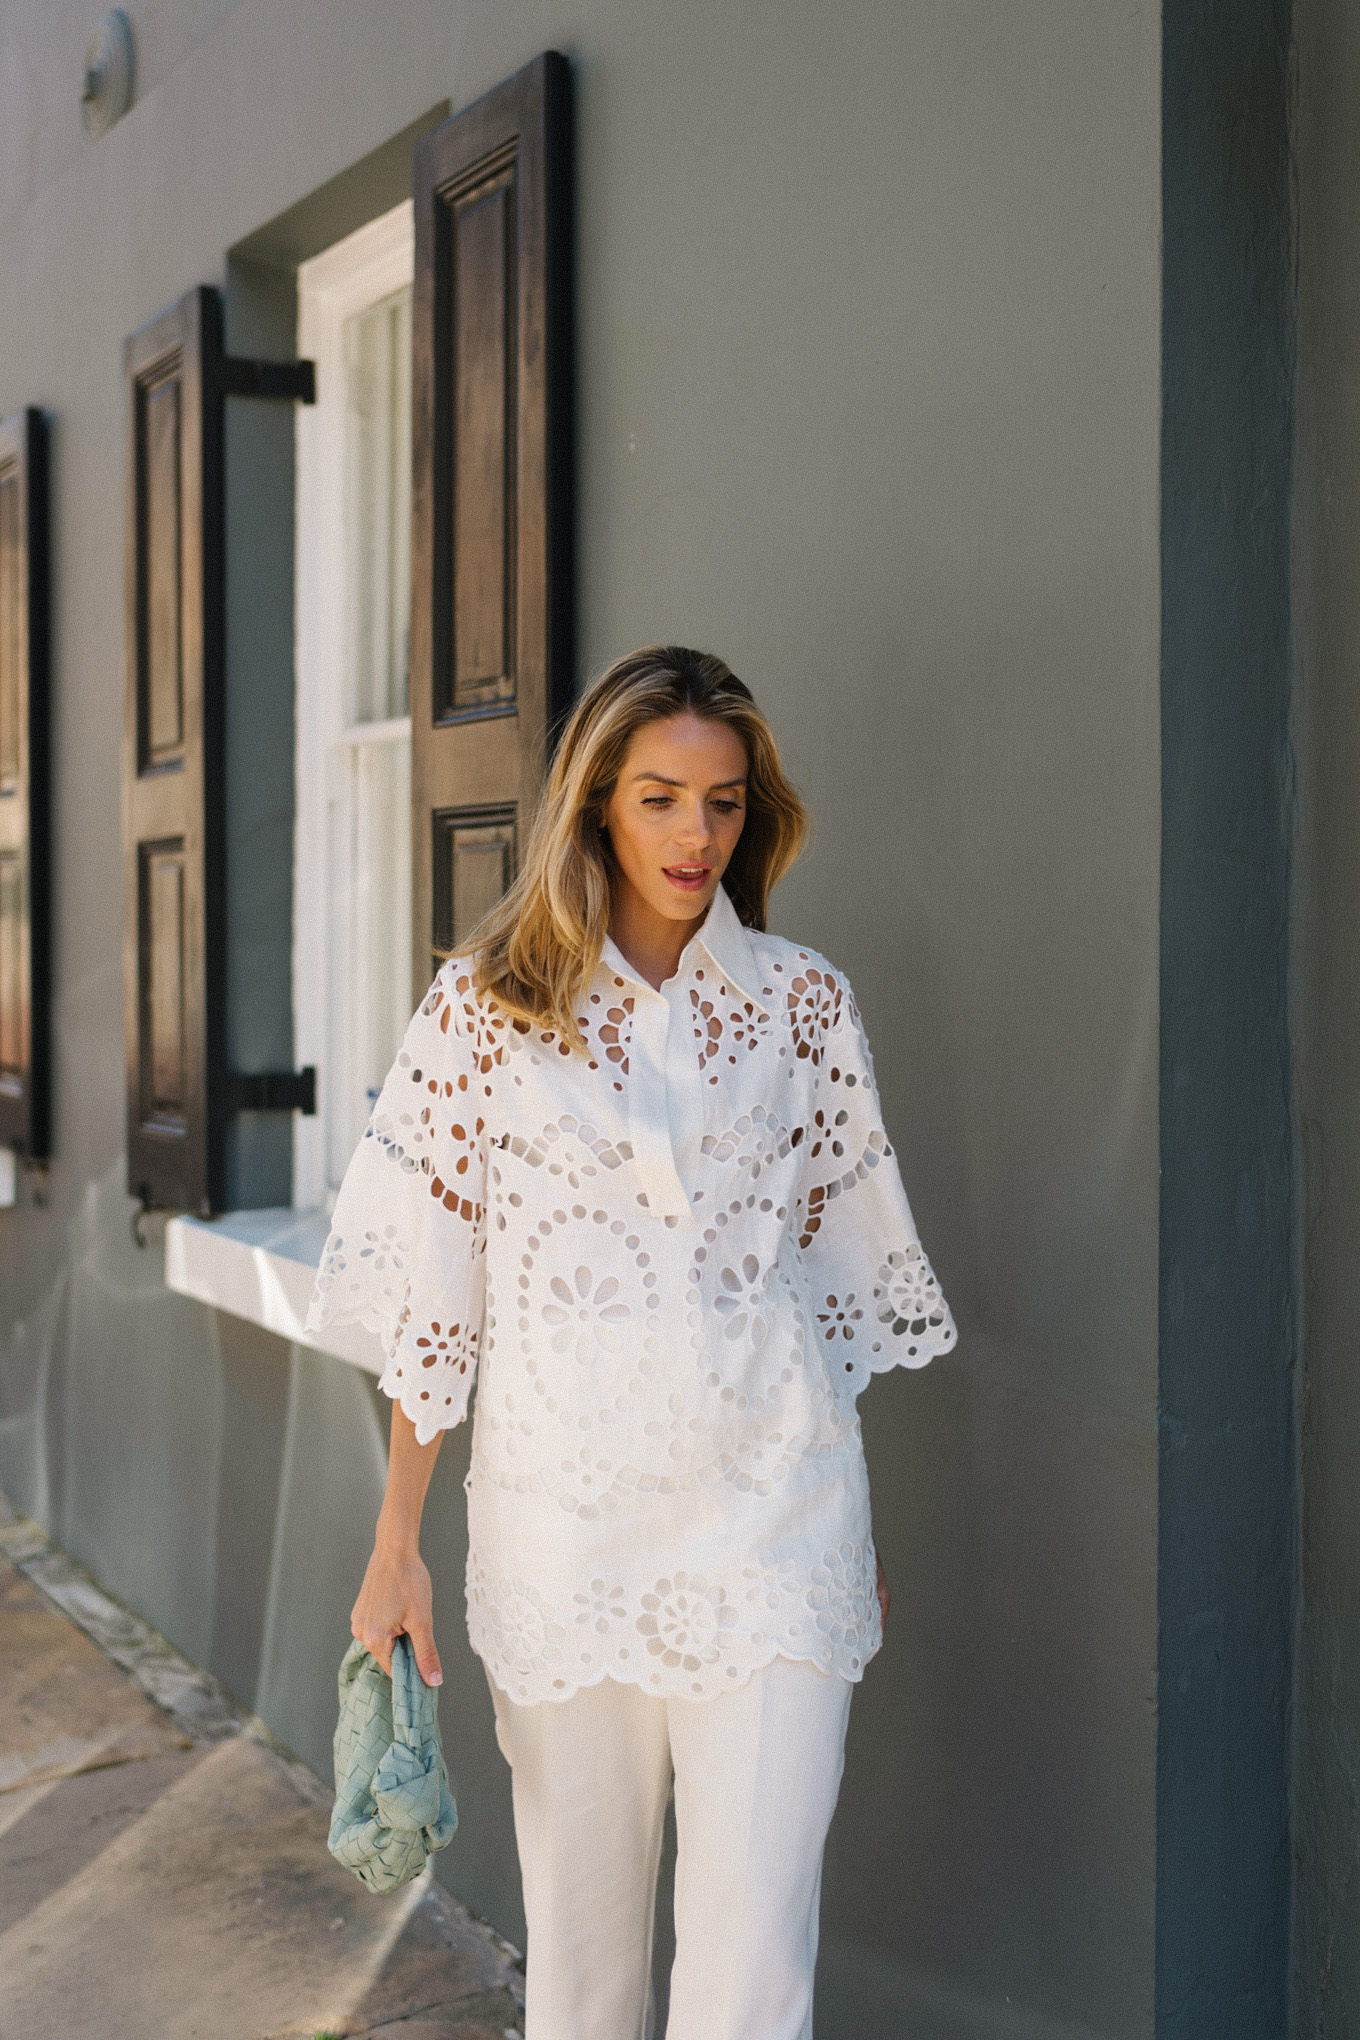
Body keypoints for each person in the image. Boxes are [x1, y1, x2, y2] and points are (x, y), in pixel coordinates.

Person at [307, 644, 956, 2040]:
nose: (695, 836)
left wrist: (848, 1537)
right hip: (566, 1543)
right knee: (587, 1982)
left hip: (778, 1536)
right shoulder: (484, 1012)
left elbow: (826, 1298)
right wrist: (396, 1542)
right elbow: (436, 1304)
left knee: (753, 1979)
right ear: (597, 802)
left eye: (723, 803)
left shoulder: (804, 1006)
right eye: (661, 797)